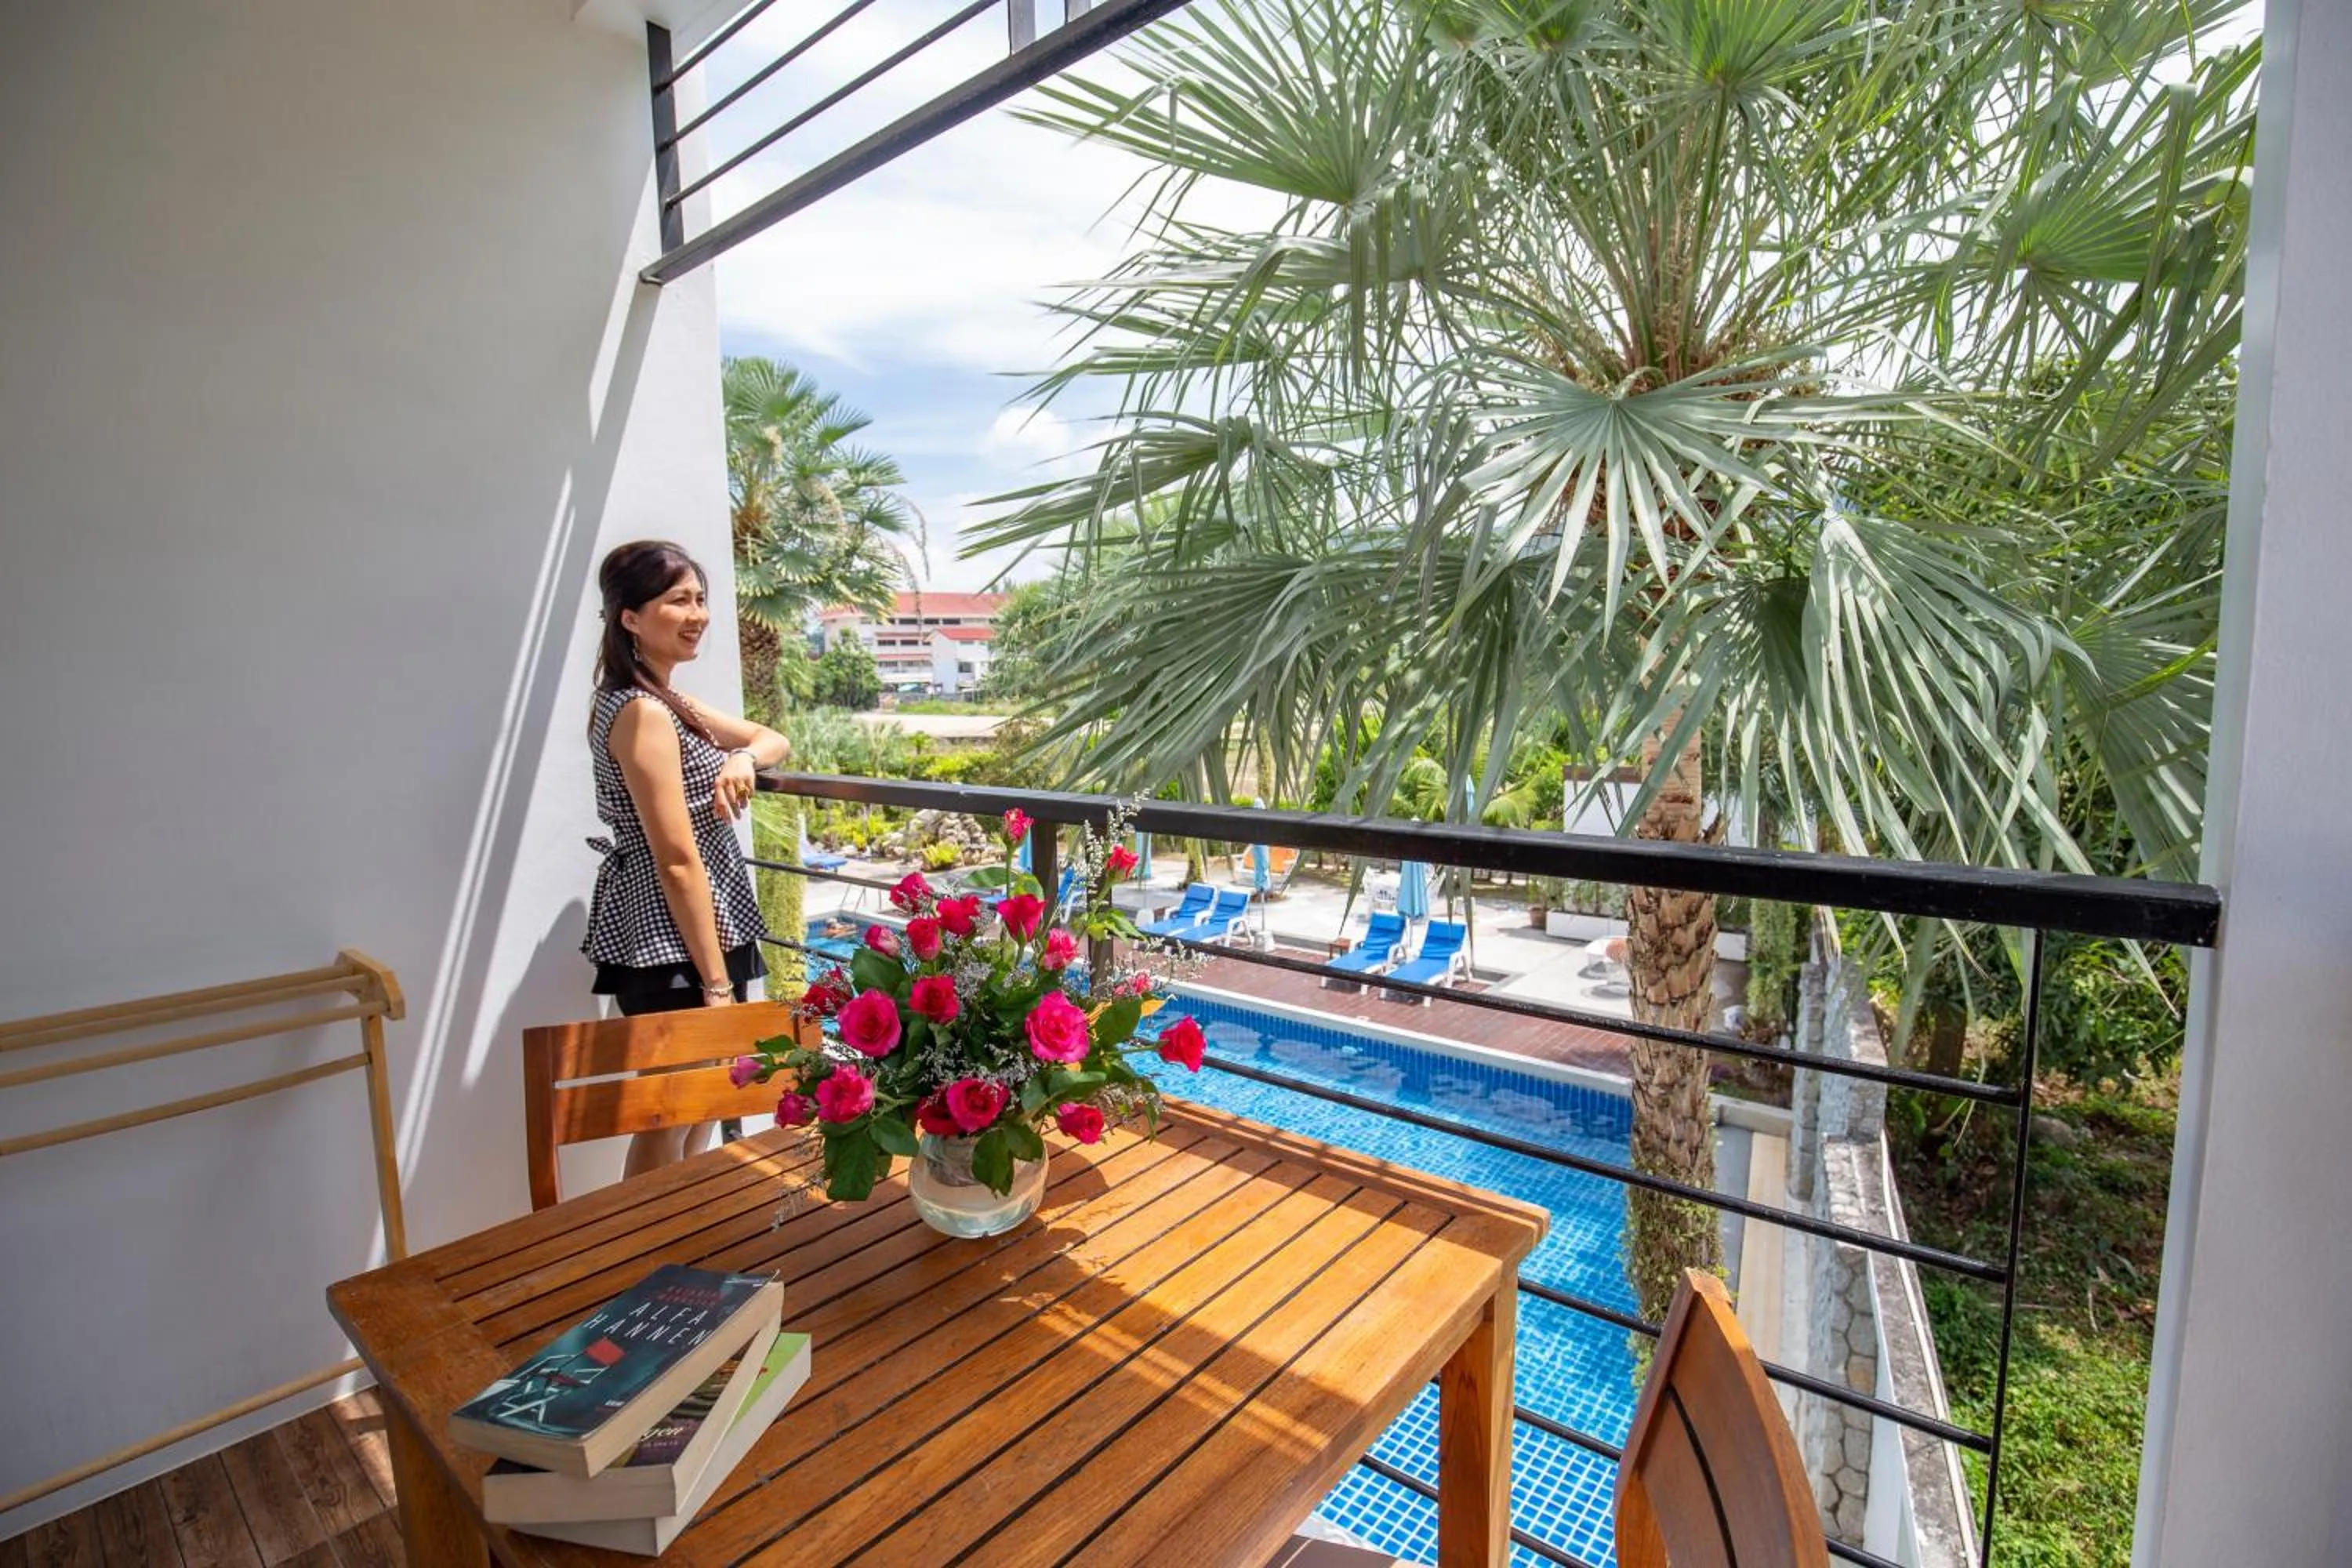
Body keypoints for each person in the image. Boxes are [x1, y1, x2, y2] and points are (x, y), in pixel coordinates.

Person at [581, 540, 789, 1178]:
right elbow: (675, 859)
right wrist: (717, 986)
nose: (697, 614)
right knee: (667, 1112)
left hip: (701, 928)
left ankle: (684, 1234)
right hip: (669, 941)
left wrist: (741, 758)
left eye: (700, 599)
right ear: (631, 618)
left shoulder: (667, 701)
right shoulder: (643, 711)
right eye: (678, 601)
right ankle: (646, 1252)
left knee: (698, 1104)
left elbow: (770, 736)